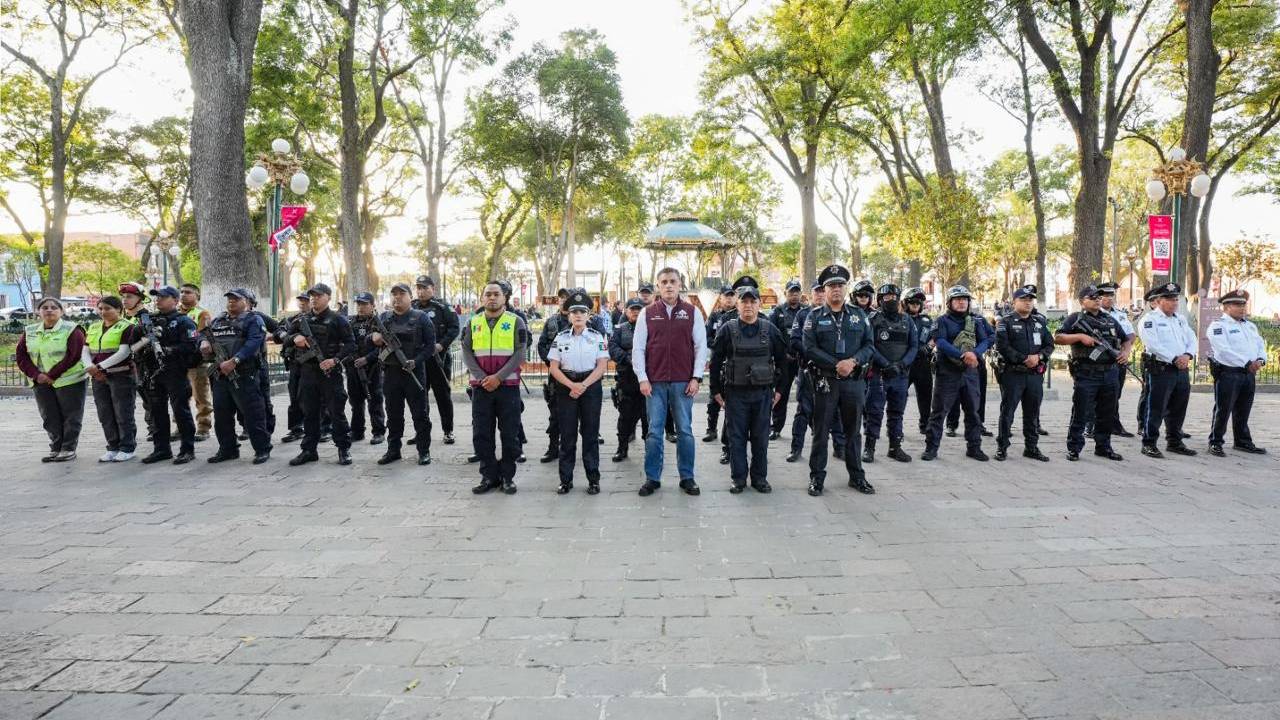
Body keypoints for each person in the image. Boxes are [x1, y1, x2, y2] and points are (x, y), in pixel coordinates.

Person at [634, 267, 708, 497]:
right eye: (664, 281)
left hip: (682, 381)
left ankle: (687, 477)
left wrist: (696, 377)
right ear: (658, 286)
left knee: (685, 431)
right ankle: (652, 478)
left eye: (672, 281)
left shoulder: (692, 312)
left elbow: (700, 347)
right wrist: (642, 378)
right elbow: (638, 348)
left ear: (680, 284)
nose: (668, 285)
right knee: (654, 432)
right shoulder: (647, 313)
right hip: (654, 383)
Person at [710, 276, 788, 493]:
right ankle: (738, 479)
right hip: (735, 394)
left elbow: (783, 361)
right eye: (744, 301)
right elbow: (715, 362)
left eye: (753, 301)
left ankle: (760, 478)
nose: (748, 305)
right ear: (737, 304)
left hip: (763, 394)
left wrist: (780, 391)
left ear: (759, 304)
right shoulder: (727, 329)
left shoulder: (770, 329)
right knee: (736, 439)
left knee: (761, 439)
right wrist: (716, 392)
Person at [803, 265, 875, 496]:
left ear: (846, 288)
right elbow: (809, 347)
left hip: (853, 383)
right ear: (824, 290)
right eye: (831, 286)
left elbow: (869, 345)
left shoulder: (859, 315)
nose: (836, 289)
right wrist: (836, 364)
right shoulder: (813, 317)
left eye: (840, 285)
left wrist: (852, 362)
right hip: (826, 382)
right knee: (821, 432)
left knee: (853, 432)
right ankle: (817, 478)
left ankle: (856, 476)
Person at [462, 281, 528, 495]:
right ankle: (488, 475)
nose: (492, 298)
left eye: (496, 294)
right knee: (482, 434)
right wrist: (483, 378)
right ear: (482, 298)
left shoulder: (516, 321)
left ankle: (508, 477)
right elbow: (466, 351)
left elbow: (520, 353)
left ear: (504, 298)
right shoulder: (473, 322)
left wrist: (498, 378)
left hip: (507, 386)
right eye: (488, 294)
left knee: (510, 434)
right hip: (481, 388)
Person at [1054, 284, 1127, 462]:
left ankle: (1103, 446)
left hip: (1110, 373)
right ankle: (1074, 447)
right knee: (1081, 411)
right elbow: (1058, 337)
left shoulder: (1109, 319)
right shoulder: (1075, 319)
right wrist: (1079, 337)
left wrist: (1124, 353)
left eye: (1098, 297)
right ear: (1082, 301)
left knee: (1107, 412)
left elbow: (1126, 339)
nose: (1097, 300)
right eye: (1092, 297)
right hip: (1087, 373)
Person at [285, 283, 355, 466]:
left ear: (328, 297)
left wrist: (335, 360)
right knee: (309, 413)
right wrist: (295, 339)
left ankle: (343, 449)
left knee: (336, 412)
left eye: (318, 295)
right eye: (312, 296)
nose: (314, 298)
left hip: (330, 373)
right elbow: (285, 338)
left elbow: (351, 345)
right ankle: (309, 450)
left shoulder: (338, 320)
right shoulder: (302, 320)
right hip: (308, 373)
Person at [548, 290, 610, 494]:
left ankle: (593, 479)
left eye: (582, 311)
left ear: (588, 315)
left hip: (590, 386)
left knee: (590, 435)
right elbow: (554, 368)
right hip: (566, 388)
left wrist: (583, 385)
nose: (578, 315)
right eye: (574, 311)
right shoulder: (560, 337)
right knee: (567, 435)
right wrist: (572, 385)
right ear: (568, 315)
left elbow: (602, 366)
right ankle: (565, 480)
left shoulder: (596, 336)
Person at [200, 288, 272, 464]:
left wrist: (235, 360)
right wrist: (203, 342)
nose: (231, 301)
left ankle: (262, 449)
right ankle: (228, 449)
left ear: (246, 302)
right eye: (230, 299)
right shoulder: (218, 320)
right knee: (222, 414)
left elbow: (254, 342)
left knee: (253, 413)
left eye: (236, 299)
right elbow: (202, 334)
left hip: (244, 373)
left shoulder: (253, 319)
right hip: (220, 375)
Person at [922, 285, 993, 462]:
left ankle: (974, 447)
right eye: (957, 299)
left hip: (970, 372)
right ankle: (931, 448)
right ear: (950, 302)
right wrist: (962, 354)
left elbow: (987, 339)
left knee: (973, 411)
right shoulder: (942, 321)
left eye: (965, 299)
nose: (962, 302)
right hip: (947, 372)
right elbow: (941, 342)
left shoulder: (975, 320)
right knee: (939, 412)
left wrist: (974, 353)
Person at [370, 283, 435, 466]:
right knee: (393, 415)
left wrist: (416, 361)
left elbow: (431, 346)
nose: (397, 297)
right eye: (394, 294)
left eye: (402, 294)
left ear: (410, 296)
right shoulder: (385, 317)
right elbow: (371, 336)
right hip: (391, 374)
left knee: (420, 415)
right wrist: (374, 336)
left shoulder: (421, 318)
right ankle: (393, 450)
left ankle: (424, 451)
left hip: (413, 373)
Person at [17, 297, 88, 462]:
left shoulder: (72, 329)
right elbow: (22, 356)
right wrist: (37, 375)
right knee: (49, 416)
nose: (49, 310)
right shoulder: (30, 330)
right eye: (45, 307)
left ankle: (68, 448)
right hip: (40, 381)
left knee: (71, 416)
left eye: (54, 307)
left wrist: (51, 375)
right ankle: (56, 447)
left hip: (69, 380)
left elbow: (74, 355)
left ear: (61, 311)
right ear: (38, 312)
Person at [787, 281, 847, 463]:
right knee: (803, 410)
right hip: (809, 370)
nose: (820, 295)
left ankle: (839, 447)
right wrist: (817, 355)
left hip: (833, 372)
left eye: (823, 291)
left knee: (836, 411)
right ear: (811, 294)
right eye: (817, 291)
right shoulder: (803, 314)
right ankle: (796, 448)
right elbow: (796, 341)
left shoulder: (841, 315)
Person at [139, 286, 199, 465]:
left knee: (180, 411)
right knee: (157, 412)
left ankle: (187, 449)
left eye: (163, 297)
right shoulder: (149, 320)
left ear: (175, 300)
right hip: (153, 372)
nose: (158, 300)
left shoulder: (183, 321)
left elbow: (191, 346)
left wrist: (169, 350)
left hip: (175, 371)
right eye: (157, 297)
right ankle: (161, 449)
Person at [1137, 282, 1198, 458]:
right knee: (1156, 407)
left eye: (1175, 299)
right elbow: (1153, 345)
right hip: (1161, 369)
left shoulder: (1180, 319)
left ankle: (1174, 441)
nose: (1174, 303)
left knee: (1179, 407)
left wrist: (1187, 355)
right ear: (1158, 301)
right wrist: (1174, 358)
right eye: (1169, 299)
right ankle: (1149, 443)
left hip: (1181, 369)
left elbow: (1191, 338)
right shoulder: (1149, 320)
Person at [992, 286, 1052, 462]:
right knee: (1008, 412)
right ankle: (1002, 447)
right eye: (1024, 299)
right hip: (1013, 374)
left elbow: (1049, 345)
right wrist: (1024, 358)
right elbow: (1003, 346)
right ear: (1014, 302)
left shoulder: (1039, 322)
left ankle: (1031, 447)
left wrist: (1039, 357)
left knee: (1032, 413)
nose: (1028, 302)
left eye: (1030, 300)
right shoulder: (1006, 321)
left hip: (1034, 375)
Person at [1206, 289, 1267, 456]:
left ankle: (1242, 441)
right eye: (1237, 304)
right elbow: (1223, 350)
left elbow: (1260, 345)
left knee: (1243, 409)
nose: (1242, 308)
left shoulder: (1250, 326)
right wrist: (1247, 363)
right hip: (1229, 373)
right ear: (1226, 307)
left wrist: (1261, 359)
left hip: (1248, 374)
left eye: (1243, 304)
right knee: (1223, 409)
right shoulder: (1218, 326)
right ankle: (1215, 442)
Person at [862, 283, 918, 464]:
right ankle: (869, 448)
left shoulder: (907, 320)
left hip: (900, 374)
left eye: (895, 297)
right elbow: (869, 345)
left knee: (897, 412)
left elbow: (914, 346)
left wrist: (902, 364)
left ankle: (895, 447)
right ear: (879, 300)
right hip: (879, 373)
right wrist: (885, 364)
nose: (891, 300)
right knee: (874, 411)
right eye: (887, 297)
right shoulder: (872, 319)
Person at [83, 296, 139, 462]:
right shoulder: (93, 327)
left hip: (121, 375)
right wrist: (90, 368)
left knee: (123, 413)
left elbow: (124, 352)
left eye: (108, 308)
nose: (103, 312)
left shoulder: (127, 327)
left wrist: (99, 367)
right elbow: (85, 350)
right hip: (98, 377)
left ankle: (127, 447)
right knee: (105, 413)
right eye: (100, 308)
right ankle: (113, 447)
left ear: (119, 310)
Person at [411, 276, 460, 445]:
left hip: (438, 359)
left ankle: (448, 431)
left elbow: (454, 328)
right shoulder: (412, 307)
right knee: (419, 397)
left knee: (443, 396)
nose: (421, 291)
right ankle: (422, 432)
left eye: (424, 288)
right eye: (418, 288)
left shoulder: (443, 307)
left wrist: (441, 345)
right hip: (419, 361)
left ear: (433, 288)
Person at [1087, 282, 1137, 438]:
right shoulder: (1090, 314)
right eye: (1104, 296)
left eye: (1111, 295)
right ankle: (1091, 425)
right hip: (1098, 362)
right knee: (1095, 395)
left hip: (1117, 360)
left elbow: (1130, 335)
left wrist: (1124, 352)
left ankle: (1113, 424)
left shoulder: (1120, 315)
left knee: (1114, 395)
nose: (1108, 299)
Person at [767, 279, 806, 439]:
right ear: (785, 293)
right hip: (784, 361)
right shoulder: (777, 312)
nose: (794, 294)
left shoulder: (806, 312)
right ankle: (776, 427)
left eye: (797, 291)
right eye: (791, 292)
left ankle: (814, 426)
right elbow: (771, 336)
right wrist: (782, 355)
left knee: (806, 395)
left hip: (803, 360)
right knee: (780, 394)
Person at [610, 297, 647, 461]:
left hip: (646, 378)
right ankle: (622, 448)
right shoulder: (619, 329)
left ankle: (650, 449)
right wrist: (628, 358)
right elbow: (612, 348)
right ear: (626, 311)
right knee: (625, 416)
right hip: (627, 378)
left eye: (639, 309)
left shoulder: (650, 328)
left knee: (648, 416)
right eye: (632, 309)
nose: (636, 312)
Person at [346, 292, 386, 445]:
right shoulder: (350, 322)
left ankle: (378, 432)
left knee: (374, 400)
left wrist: (367, 359)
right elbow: (345, 343)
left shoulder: (378, 323)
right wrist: (352, 359)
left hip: (373, 368)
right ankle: (357, 431)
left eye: (364, 304)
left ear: (372, 305)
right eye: (359, 304)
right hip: (354, 367)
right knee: (355, 402)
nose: (361, 307)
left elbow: (384, 346)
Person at [119, 282, 157, 442]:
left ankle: (155, 428)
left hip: (144, 365)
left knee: (150, 399)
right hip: (127, 365)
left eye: (129, 297)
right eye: (123, 297)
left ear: (140, 299)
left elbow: (150, 339)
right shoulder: (126, 317)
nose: (125, 300)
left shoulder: (145, 317)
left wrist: (132, 349)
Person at [703, 284, 738, 446]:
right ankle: (711, 429)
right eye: (726, 295)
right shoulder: (714, 316)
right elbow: (706, 336)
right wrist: (718, 344)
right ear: (721, 298)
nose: (729, 298)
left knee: (732, 399)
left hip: (735, 363)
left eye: (732, 295)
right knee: (714, 397)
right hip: (718, 360)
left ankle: (730, 433)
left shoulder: (739, 315)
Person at [179, 283, 214, 441]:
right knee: (179, 397)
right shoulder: (176, 313)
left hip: (196, 362)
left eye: (188, 292)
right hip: (178, 362)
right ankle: (181, 427)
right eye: (181, 292)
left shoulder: (202, 313)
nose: (183, 295)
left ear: (197, 296)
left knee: (200, 396)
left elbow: (202, 335)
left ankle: (203, 427)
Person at [277, 293, 312, 443]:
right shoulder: (293, 319)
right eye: (301, 302)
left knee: (315, 399)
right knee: (294, 397)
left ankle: (324, 427)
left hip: (312, 365)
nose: (302, 304)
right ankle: (296, 428)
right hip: (295, 363)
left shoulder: (316, 319)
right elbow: (278, 331)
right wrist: (287, 336)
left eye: (306, 301)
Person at [902, 287, 934, 435]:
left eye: (918, 302)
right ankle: (896, 425)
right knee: (900, 395)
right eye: (912, 302)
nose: (915, 305)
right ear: (905, 303)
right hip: (906, 363)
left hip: (923, 362)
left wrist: (929, 346)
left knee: (925, 395)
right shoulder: (901, 318)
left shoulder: (927, 320)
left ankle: (925, 424)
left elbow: (936, 336)